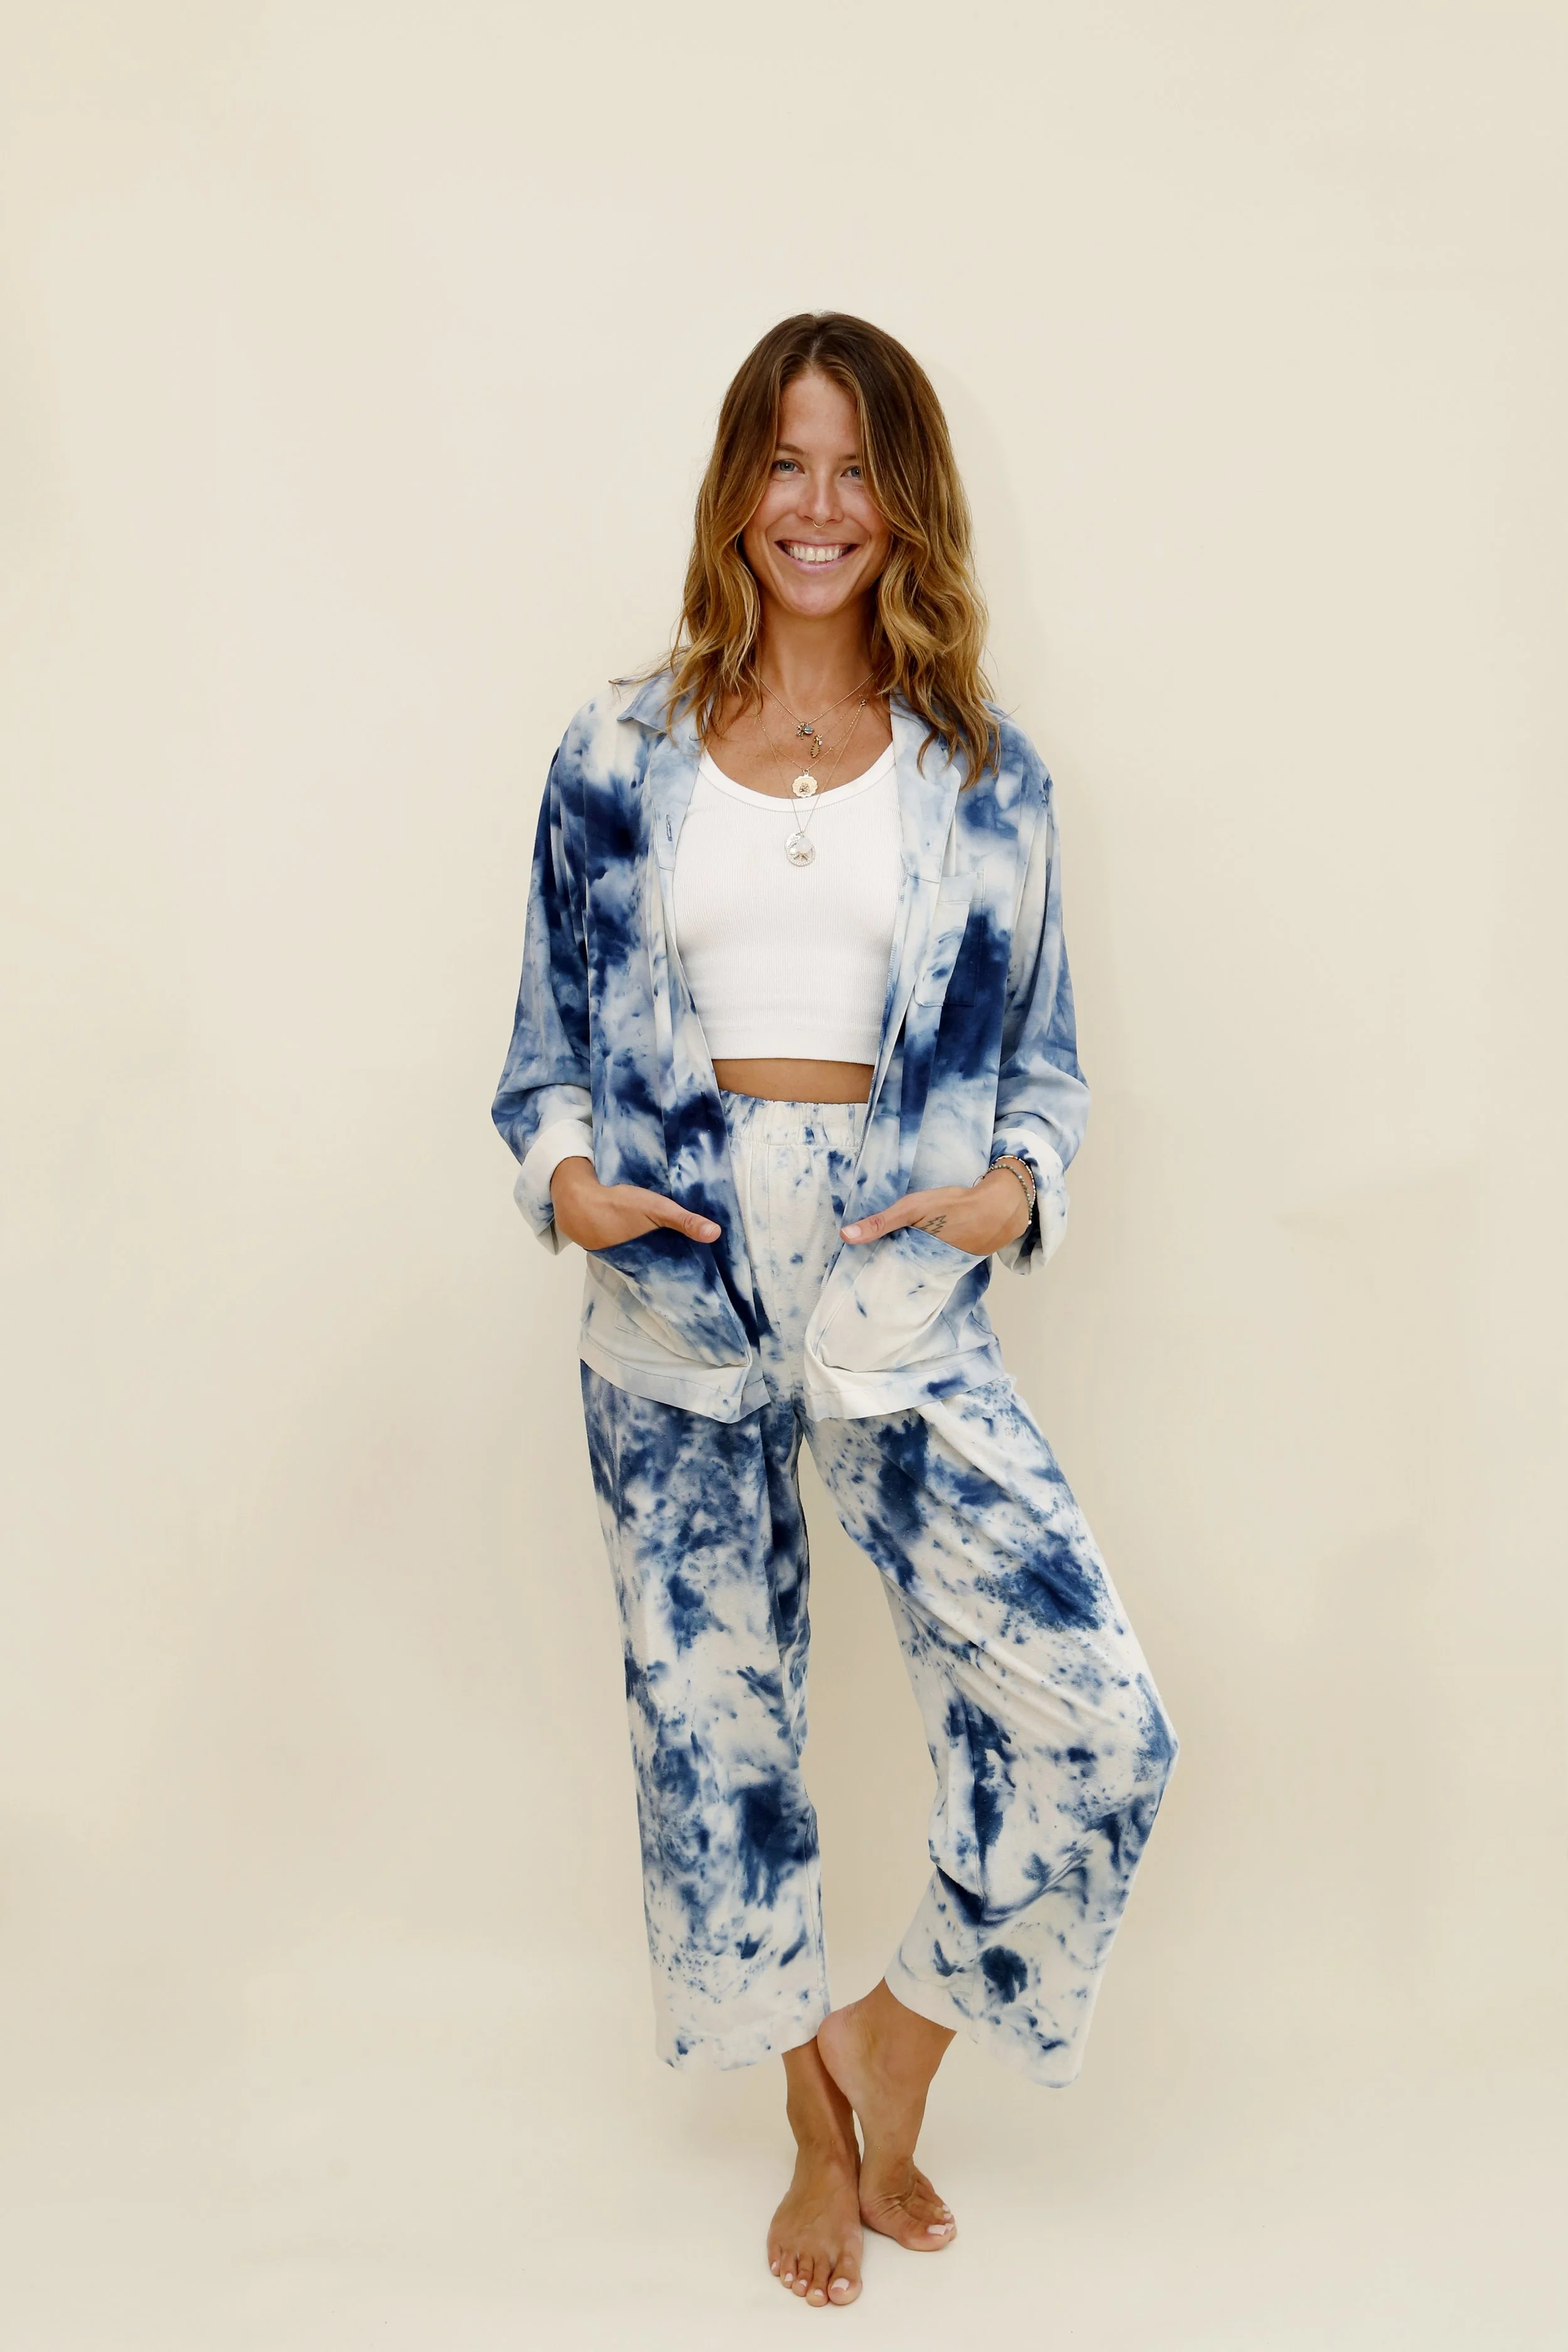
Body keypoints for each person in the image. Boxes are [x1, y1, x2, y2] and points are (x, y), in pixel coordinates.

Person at [492, 312, 1177, 2309]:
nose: (817, 506)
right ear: (735, 490)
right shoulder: (612, 753)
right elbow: (541, 1055)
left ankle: (895, 2044)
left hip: (896, 1276)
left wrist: (1007, 1192)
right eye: (783, 464)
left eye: (857, 467)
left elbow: (1044, 1067)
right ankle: (810, 2122)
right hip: (677, 1281)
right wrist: (567, 1185)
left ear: (907, 502)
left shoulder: (987, 775)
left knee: (1099, 1723)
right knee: (718, 1743)